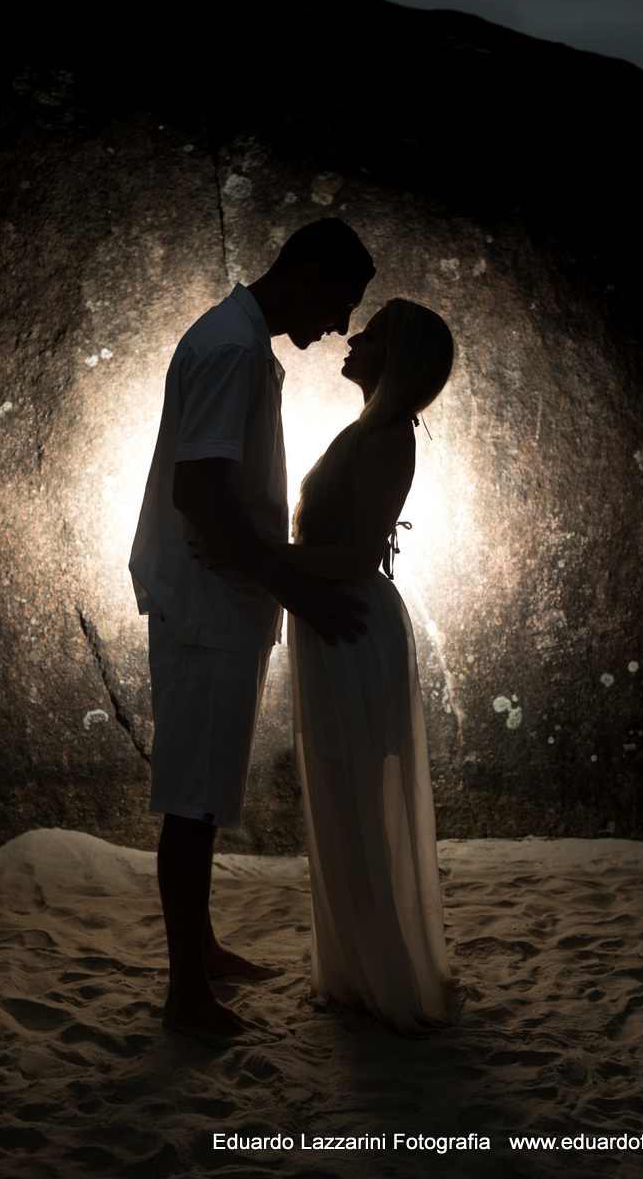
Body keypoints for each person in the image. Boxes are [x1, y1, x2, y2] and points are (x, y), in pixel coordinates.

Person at [129, 218, 376, 1048]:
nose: (339, 323)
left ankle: (198, 952)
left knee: (200, 792)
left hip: (216, 602)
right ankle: (184, 993)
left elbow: (211, 490)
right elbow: (199, 495)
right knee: (194, 804)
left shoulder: (236, 340)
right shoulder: (233, 349)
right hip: (210, 607)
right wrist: (293, 588)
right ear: (304, 275)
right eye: (339, 300)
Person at [200, 297, 455, 1034]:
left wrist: (246, 554)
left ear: (393, 358)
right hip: (332, 621)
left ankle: (381, 977)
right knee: (342, 797)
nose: (351, 338)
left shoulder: (384, 439)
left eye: (369, 335)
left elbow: (353, 555)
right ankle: (363, 971)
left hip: (350, 624)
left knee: (355, 796)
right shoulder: (368, 431)